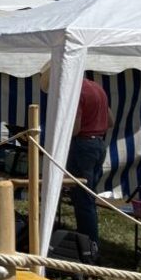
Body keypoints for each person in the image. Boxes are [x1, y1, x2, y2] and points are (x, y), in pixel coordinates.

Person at [40, 63, 114, 248]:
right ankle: (87, 241)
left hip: (83, 146)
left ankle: (88, 246)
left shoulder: (75, 92)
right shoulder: (97, 88)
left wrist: (57, 135)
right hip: (98, 144)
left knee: (82, 198)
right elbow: (110, 120)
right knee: (87, 195)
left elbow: (75, 128)